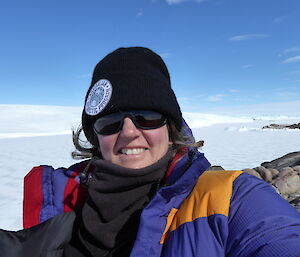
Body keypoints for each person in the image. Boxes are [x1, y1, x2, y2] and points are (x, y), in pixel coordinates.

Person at [1, 47, 300, 257]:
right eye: (110, 122)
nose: (130, 132)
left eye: (147, 117)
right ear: (95, 137)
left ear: (171, 129)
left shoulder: (231, 200)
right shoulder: (61, 201)